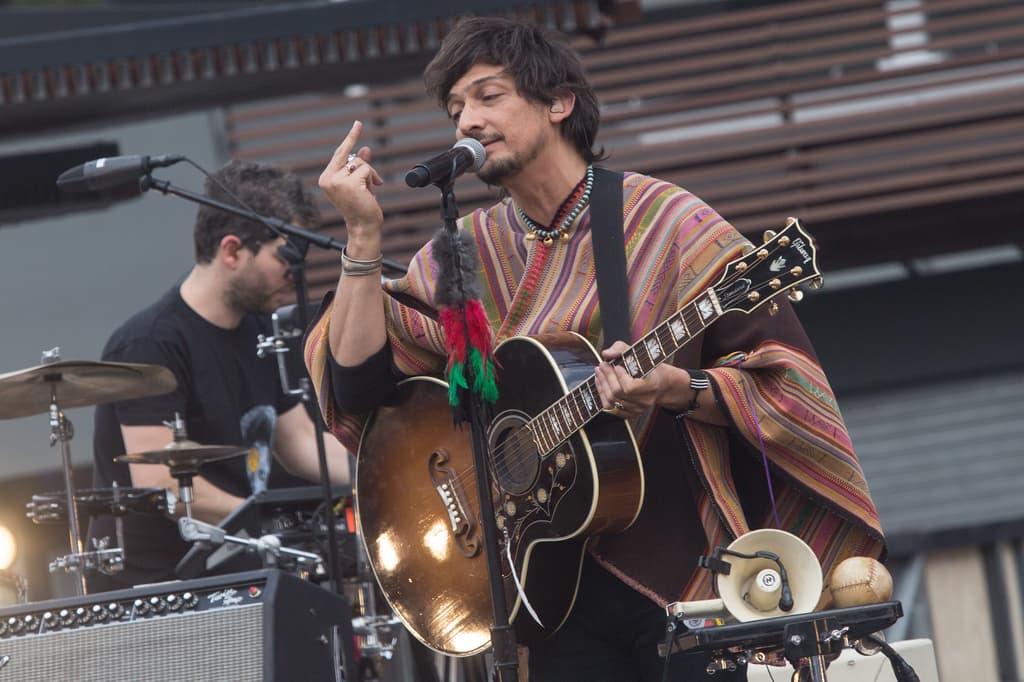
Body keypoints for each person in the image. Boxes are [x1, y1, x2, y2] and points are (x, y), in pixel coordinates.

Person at [305, 17, 885, 682]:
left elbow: (785, 384)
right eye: (456, 107)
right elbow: (359, 387)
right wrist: (362, 238)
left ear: (559, 103)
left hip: (684, 573)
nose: (467, 120)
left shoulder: (665, 222)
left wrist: (679, 389)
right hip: (544, 592)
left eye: (489, 96)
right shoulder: (464, 252)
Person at [88, 160, 351, 592]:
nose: (296, 271)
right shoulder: (148, 344)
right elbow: (162, 484)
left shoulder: (258, 329)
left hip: (236, 570)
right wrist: (272, 527)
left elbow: (302, 442)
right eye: (285, 256)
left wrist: (382, 475)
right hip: (159, 590)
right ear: (231, 251)